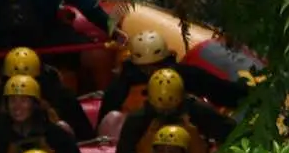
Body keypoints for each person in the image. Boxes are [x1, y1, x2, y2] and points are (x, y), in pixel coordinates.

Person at [97, 29, 249, 130]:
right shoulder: (121, 87)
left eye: (155, 67)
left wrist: (252, 92)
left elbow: (221, 90)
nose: (153, 74)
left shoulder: (187, 76)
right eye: (146, 69)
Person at [110, 67, 234, 153]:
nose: (166, 114)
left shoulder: (198, 111)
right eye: (161, 110)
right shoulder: (137, 120)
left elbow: (231, 133)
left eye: (170, 110)